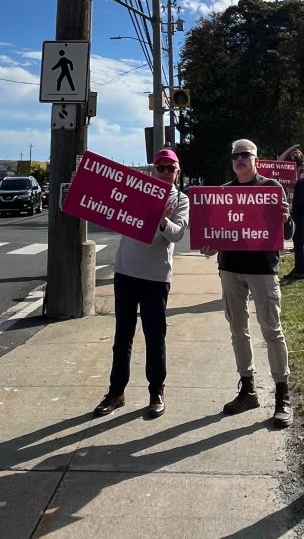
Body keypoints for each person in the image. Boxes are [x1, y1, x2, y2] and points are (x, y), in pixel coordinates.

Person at [203, 138, 295, 427]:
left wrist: (286, 219)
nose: (240, 159)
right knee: (237, 330)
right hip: (230, 268)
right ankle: (248, 389)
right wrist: (210, 244)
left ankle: (282, 395)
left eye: (246, 155)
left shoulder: (271, 188)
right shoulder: (224, 192)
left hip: (263, 269)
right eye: (235, 156)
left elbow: (288, 233)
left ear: (257, 160)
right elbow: (217, 231)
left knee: (272, 330)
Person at [93, 148, 189, 419]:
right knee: (122, 336)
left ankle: (156, 391)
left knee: (155, 337)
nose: (166, 172)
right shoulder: (136, 190)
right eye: (161, 167)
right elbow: (108, 206)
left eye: (171, 168)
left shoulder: (181, 199)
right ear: (153, 169)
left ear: (177, 173)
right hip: (126, 272)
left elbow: (177, 235)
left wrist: (162, 219)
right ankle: (116, 393)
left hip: (156, 276)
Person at [278, 144, 304, 278]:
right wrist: (289, 149)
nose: (294, 154)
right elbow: (277, 163)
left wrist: (299, 184)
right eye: (292, 153)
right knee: (297, 241)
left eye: (297, 152)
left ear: (302, 155)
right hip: (291, 211)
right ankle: (298, 268)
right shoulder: (287, 170)